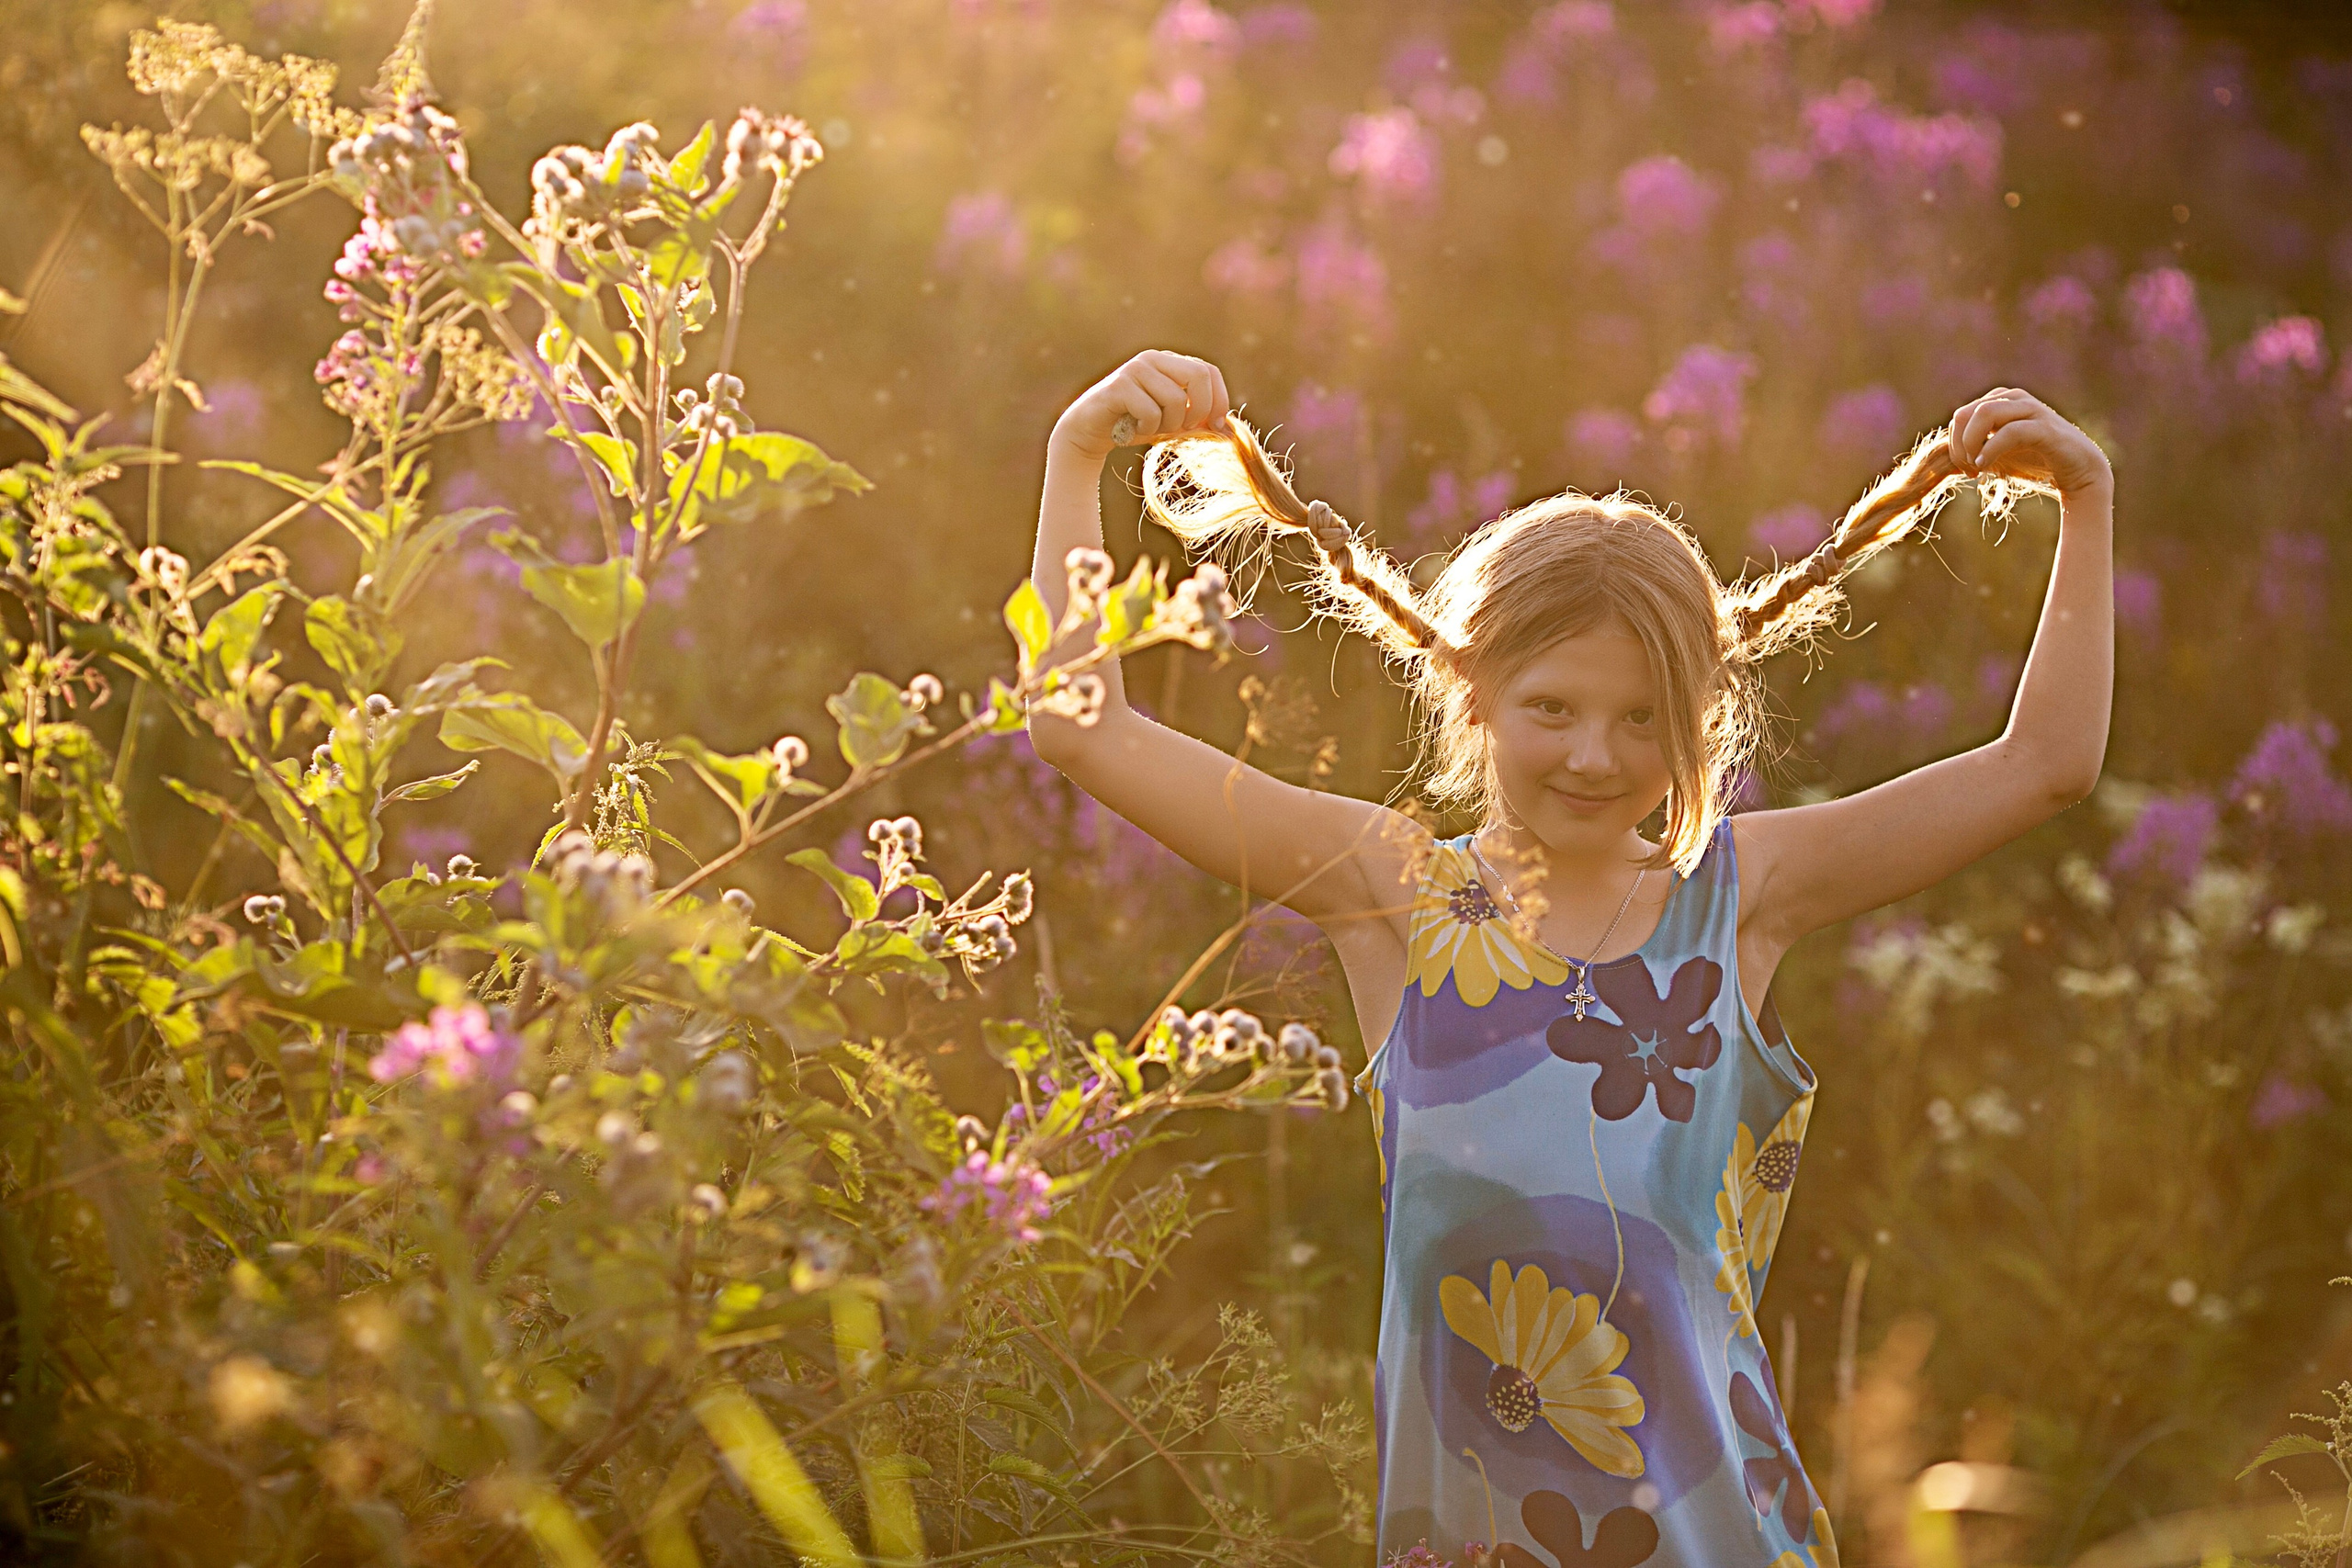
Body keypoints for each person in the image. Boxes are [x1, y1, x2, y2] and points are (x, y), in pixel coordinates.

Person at [1024, 349, 2113, 1566]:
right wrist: (1076, 454)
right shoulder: (1392, 894)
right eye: (1553, 708)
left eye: (1644, 717)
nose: (1597, 754)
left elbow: (2043, 768)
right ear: (1474, 694)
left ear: (1699, 721)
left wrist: (2086, 500)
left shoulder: (1741, 901)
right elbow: (1081, 728)